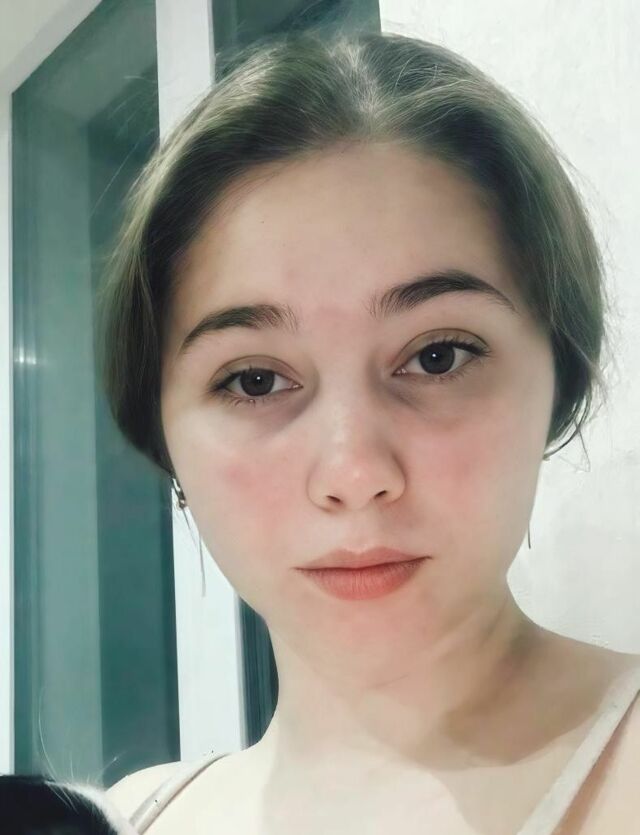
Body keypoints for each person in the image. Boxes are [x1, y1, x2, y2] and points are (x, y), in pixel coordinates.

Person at [99, 27, 640, 834]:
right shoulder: (124, 816)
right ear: (164, 432)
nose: (354, 471)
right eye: (255, 379)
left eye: (437, 356)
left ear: (557, 374)